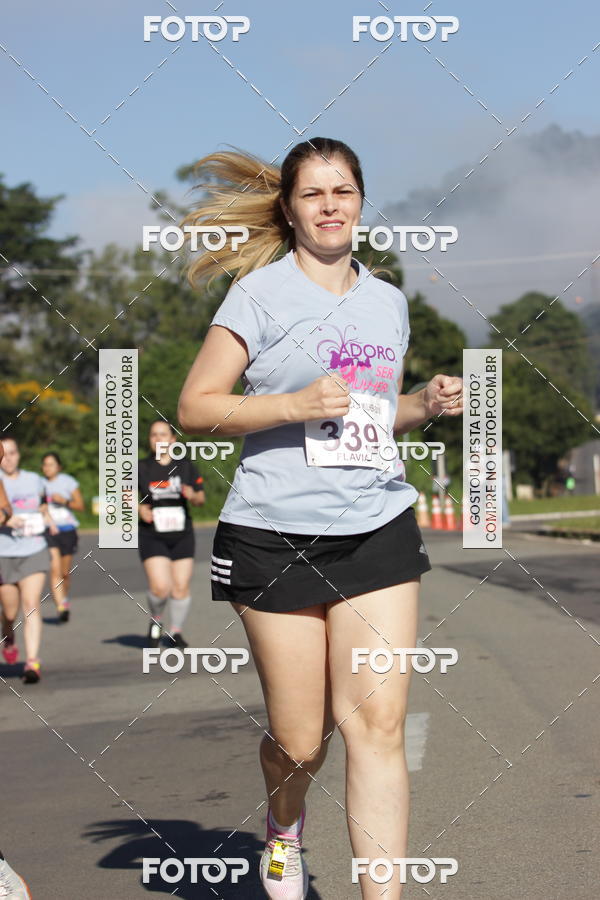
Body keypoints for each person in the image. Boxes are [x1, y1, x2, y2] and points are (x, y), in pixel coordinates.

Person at [178, 137, 463, 899]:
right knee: (304, 743)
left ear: (361, 202)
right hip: (274, 535)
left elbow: (370, 416)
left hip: (376, 527)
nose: (330, 206)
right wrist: (291, 405)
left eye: (343, 192)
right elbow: (196, 406)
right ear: (291, 208)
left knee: (376, 729)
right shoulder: (259, 296)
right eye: (314, 194)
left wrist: (422, 406)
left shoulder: (388, 299)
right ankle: (283, 825)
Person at [138, 420, 206, 649]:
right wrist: (138, 508)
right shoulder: (141, 468)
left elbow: (200, 499)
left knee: (180, 587)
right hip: (152, 534)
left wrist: (191, 494)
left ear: (173, 440)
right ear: (150, 440)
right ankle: (156, 619)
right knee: (160, 587)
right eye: (154, 435)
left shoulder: (185, 467)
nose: (158, 439)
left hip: (182, 534)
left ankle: (176, 631)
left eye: (163, 435)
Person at [0, 437, 55, 684]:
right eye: (5, 454)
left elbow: (43, 505)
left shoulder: (35, 480)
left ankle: (32, 661)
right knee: (9, 610)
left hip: (34, 548)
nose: (8, 458)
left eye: (13, 453)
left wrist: (48, 519)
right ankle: (8, 633)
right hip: (4, 552)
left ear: (19, 454)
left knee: (31, 602)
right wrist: (5, 519)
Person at [41, 451, 84, 622]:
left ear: (58, 467)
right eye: (44, 464)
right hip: (48, 531)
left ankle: (63, 599)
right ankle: (61, 604)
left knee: (65, 572)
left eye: (51, 464)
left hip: (67, 530)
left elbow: (80, 505)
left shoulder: (68, 482)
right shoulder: (39, 483)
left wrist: (64, 501)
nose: (47, 468)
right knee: (55, 571)